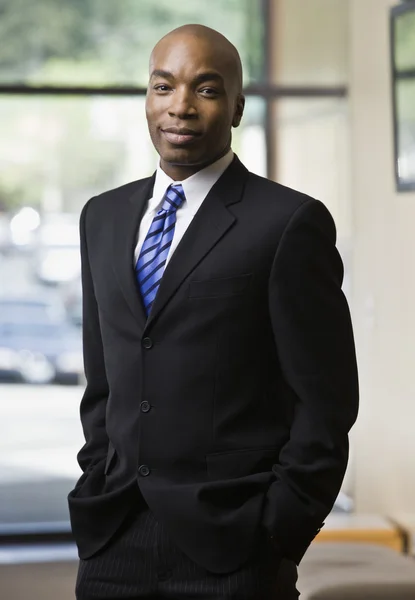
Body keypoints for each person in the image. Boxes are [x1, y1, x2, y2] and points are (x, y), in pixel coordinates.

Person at [68, 24, 359, 600]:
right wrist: (96, 469)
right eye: (163, 86)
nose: (180, 107)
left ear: (237, 107)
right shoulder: (100, 218)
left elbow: (326, 402)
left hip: (235, 545)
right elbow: (102, 377)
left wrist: (281, 530)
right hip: (113, 534)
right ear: (147, 99)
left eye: (205, 89)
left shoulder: (287, 223)